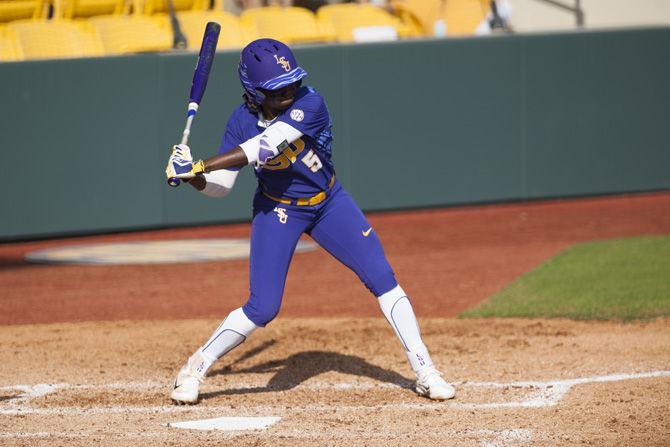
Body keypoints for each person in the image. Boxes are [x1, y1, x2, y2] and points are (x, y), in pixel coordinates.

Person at [165, 38, 455, 404]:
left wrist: (200, 163)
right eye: (278, 90)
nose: (289, 92)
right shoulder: (240, 122)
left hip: (329, 203)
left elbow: (267, 146)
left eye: (291, 83)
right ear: (254, 93)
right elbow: (221, 187)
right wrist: (193, 177)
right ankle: (194, 368)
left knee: (383, 278)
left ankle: (425, 370)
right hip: (278, 210)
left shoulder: (310, 102)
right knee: (263, 307)